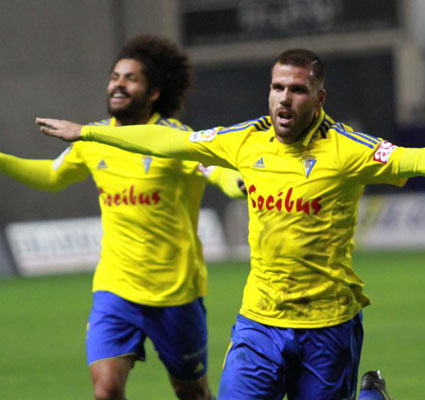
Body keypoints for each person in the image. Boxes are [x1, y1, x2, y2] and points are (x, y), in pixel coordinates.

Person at [37, 48, 425, 400]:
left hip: (327, 326)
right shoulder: (245, 140)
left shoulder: (351, 151)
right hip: (259, 323)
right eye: (276, 88)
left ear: (319, 98)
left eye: (296, 90)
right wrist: (88, 133)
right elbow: (169, 141)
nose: (283, 99)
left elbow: (419, 158)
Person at [2, 35, 246, 400]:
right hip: (115, 289)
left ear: (153, 92)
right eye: (115, 76)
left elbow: (216, 171)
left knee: (192, 393)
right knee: (106, 390)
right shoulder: (94, 138)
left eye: (131, 78)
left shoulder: (175, 139)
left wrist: (238, 182)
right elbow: (53, 175)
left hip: (176, 292)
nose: (118, 83)